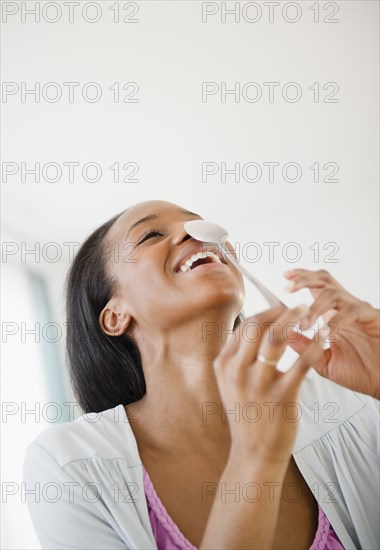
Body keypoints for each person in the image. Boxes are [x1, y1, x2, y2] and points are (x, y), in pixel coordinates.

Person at [23, 200, 380, 549]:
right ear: (114, 316)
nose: (191, 232)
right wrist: (256, 459)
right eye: (150, 235)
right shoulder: (69, 464)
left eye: (196, 222)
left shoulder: (344, 407)